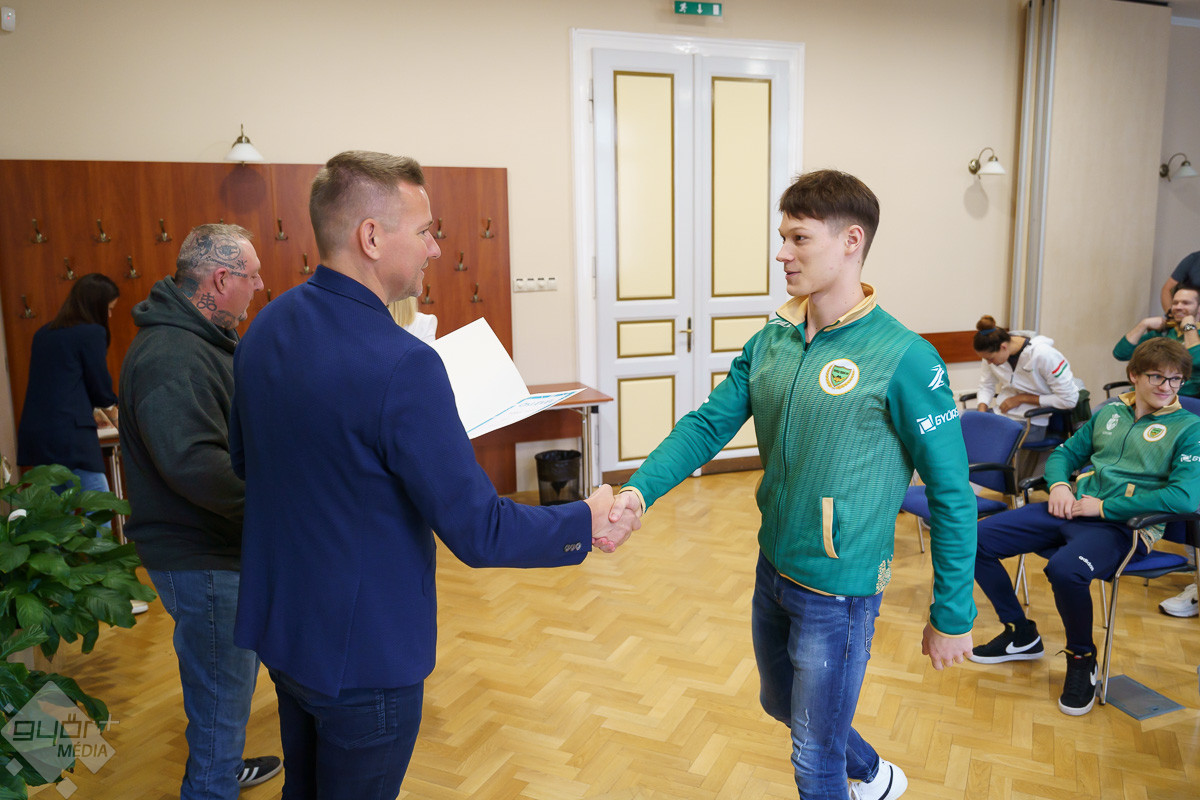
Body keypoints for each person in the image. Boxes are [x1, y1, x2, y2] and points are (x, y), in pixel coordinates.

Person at [228, 150, 637, 800]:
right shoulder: (404, 364)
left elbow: (247, 463)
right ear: (371, 236)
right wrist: (582, 521)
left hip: (286, 631)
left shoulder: (265, 327)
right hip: (366, 655)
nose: (435, 249)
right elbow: (478, 531)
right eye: (423, 231)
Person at [604, 170, 977, 800]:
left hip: (840, 590)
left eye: (799, 239)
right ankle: (875, 775)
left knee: (813, 755)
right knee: (780, 702)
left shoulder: (906, 357)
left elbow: (952, 493)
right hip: (773, 566)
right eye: (782, 237)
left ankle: (852, 775)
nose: (782, 253)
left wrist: (953, 613)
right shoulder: (773, 339)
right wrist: (636, 493)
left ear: (851, 241)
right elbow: (706, 426)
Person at [118, 224, 281, 799]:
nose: (260, 285)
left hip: (219, 549)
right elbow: (194, 465)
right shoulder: (171, 354)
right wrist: (280, 508)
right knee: (220, 699)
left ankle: (221, 767)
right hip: (201, 556)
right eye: (252, 276)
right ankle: (211, 785)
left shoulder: (201, 340)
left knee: (226, 689)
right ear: (220, 279)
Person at [970, 338, 1200, 716]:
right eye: (1157, 376)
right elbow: (1065, 453)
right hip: (1074, 508)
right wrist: (1059, 485)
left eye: (1176, 380)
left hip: (1124, 527)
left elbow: (1183, 499)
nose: (1167, 387)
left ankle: (1082, 658)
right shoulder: (1111, 412)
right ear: (1134, 375)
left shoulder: (1189, 428)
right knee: (974, 540)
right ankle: (1020, 634)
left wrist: (1105, 507)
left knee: (1065, 570)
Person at [17, 273, 121, 492]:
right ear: (96, 306)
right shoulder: (92, 333)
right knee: (98, 502)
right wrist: (117, 415)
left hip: (39, 437)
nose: (110, 315)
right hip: (72, 437)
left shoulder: (42, 334)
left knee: (53, 510)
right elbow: (101, 390)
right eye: (109, 309)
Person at [972, 315, 1080, 442]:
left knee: (981, 437)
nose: (989, 363)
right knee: (961, 426)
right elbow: (986, 385)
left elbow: (1069, 400)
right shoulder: (992, 351)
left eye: (990, 359)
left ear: (1003, 347)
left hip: (1031, 421)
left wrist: (1021, 398)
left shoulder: (1045, 355)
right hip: (1001, 414)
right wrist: (981, 414)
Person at [1114, 283, 1200, 397]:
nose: (1178, 307)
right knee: (1104, 407)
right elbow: (1120, 354)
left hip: (1182, 399)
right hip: (1144, 394)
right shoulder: (1164, 333)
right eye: (1175, 303)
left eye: (1186, 303)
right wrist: (1143, 324)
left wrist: (1189, 327)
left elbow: (1196, 362)